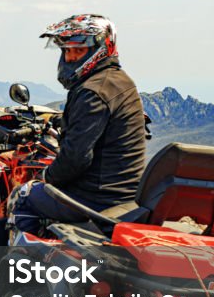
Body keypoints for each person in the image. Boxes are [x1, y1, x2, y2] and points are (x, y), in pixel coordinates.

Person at [9, 13, 146, 233]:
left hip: (97, 198)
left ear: (100, 49)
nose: (71, 57)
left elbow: (75, 159)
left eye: (79, 50)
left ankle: (17, 263)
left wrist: (45, 177)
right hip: (125, 192)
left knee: (23, 196)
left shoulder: (92, 91)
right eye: (67, 50)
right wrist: (60, 121)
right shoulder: (118, 80)